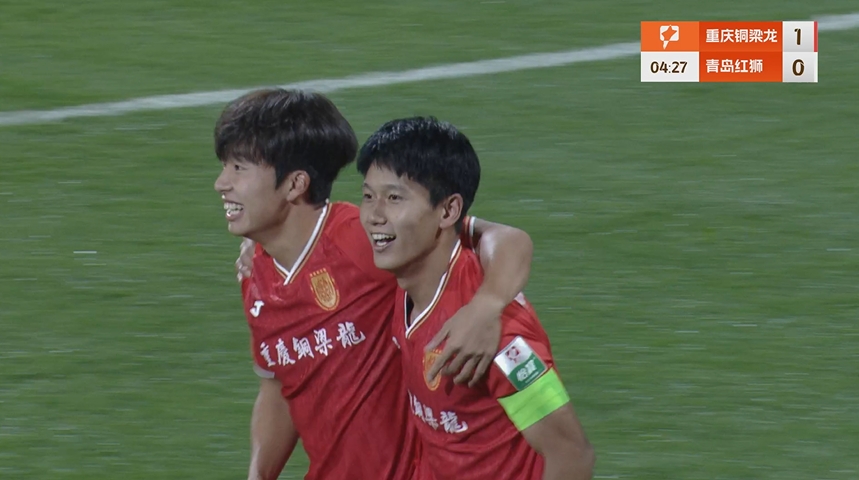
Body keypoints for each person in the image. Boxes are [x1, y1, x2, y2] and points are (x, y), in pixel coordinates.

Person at [213, 88, 535, 480]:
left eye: (239, 168)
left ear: (295, 184)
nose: (221, 183)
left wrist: (487, 306)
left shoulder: (362, 239)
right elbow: (281, 386)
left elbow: (506, 238)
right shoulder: (256, 274)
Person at [358, 116, 595, 480]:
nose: (374, 216)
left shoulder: (499, 337)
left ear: (447, 210)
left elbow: (572, 455)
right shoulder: (413, 275)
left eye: (393, 198)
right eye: (367, 196)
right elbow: (505, 236)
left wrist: (488, 306)